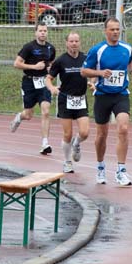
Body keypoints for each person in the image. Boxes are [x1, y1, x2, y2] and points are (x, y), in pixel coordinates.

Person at [81, 17, 132, 187]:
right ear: (105, 31)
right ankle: (100, 166)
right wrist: (99, 73)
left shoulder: (127, 48)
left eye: (117, 29)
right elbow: (84, 71)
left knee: (123, 128)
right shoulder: (97, 50)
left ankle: (121, 170)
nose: (115, 32)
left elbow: (130, 61)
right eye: (112, 29)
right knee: (101, 135)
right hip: (103, 95)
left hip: (121, 94)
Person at [48, 31, 92, 173]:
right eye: (71, 41)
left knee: (85, 132)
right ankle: (67, 161)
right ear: (67, 43)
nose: (74, 44)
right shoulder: (61, 60)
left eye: (76, 41)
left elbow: (92, 73)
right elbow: (48, 78)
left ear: (80, 43)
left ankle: (76, 143)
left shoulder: (85, 58)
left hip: (81, 99)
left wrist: (92, 82)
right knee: (67, 134)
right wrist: (52, 88)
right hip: (65, 99)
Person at [10, 23, 57, 155]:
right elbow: (16, 63)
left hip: (44, 83)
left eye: (45, 31)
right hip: (29, 82)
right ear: (36, 33)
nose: (43, 33)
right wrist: (34, 67)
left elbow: (52, 64)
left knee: (46, 111)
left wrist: (51, 69)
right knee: (28, 115)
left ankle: (45, 143)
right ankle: (19, 117)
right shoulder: (29, 47)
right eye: (40, 31)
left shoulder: (51, 48)